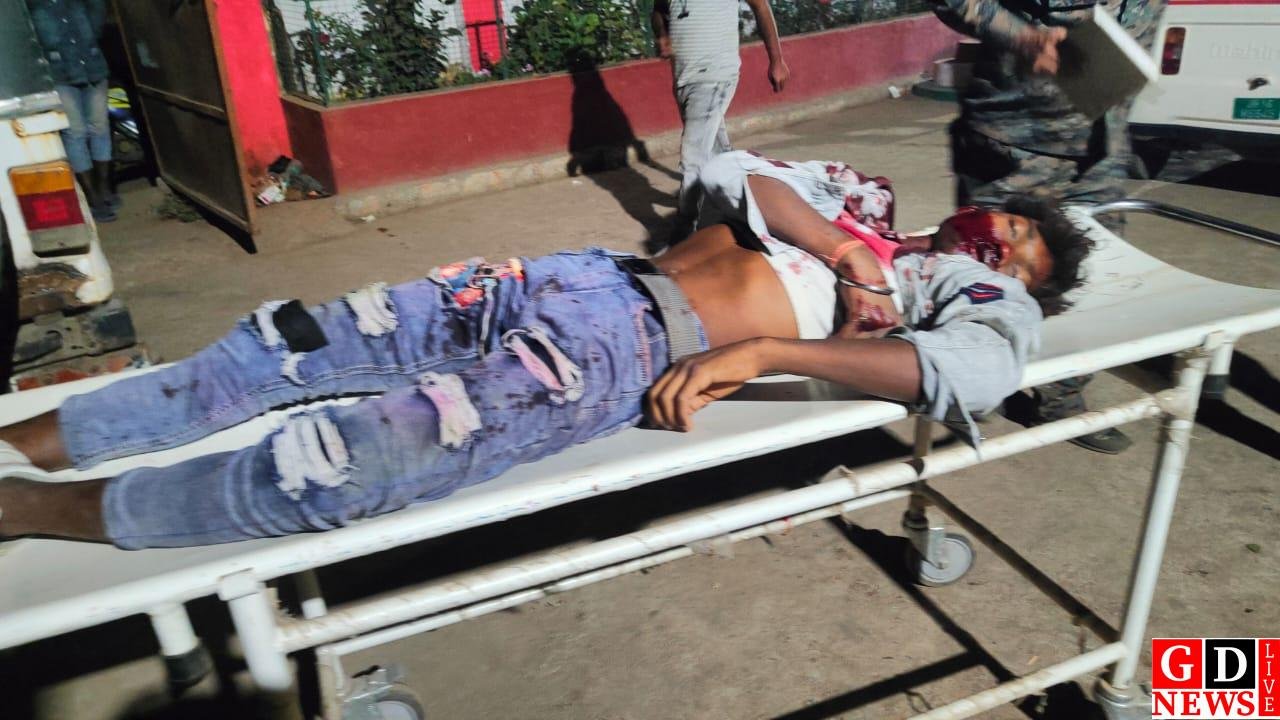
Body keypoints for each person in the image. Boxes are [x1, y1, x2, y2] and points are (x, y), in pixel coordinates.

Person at [0, 153, 1091, 549]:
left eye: (1022, 255)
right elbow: (733, 174)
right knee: (290, 341)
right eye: (1010, 223)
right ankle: (33, 439)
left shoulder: (967, 296)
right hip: (574, 278)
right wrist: (849, 252)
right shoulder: (867, 213)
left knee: (339, 464)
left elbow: (969, 374)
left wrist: (763, 351)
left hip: (622, 351)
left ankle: (38, 509)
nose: (1001, 243)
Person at [930, 0, 1164, 454]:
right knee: (985, 279)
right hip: (1015, 140)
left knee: (1092, 278)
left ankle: (1061, 400)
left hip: (1103, 141)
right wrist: (1021, 35)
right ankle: (963, 388)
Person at [652, 0, 789, 237]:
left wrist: (777, 60)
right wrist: (662, 35)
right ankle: (760, 208)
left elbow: (761, 6)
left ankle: (684, 231)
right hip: (684, 77)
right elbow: (658, 10)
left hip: (716, 74)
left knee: (693, 155)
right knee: (718, 154)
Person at [28, 0, 120, 223]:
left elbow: (97, 9)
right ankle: (93, 197)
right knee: (75, 132)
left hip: (92, 64)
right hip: (60, 73)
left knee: (99, 128)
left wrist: (89, 38)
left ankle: (104, 188)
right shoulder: (33, 4)